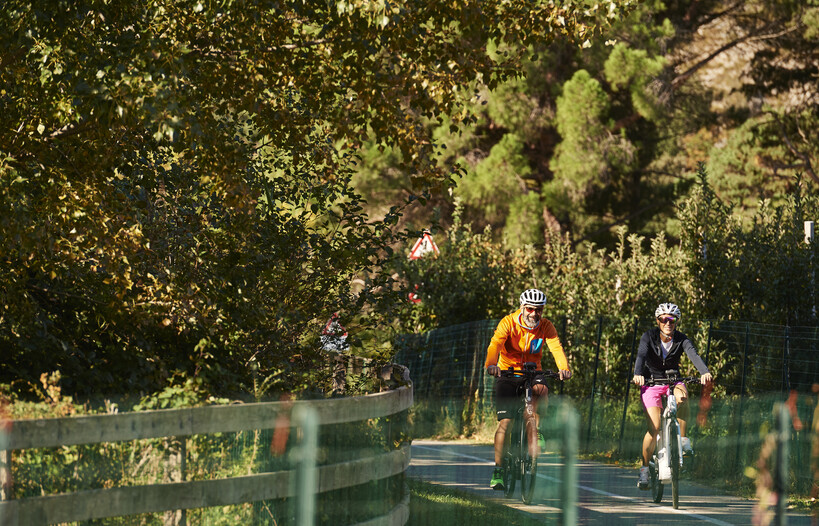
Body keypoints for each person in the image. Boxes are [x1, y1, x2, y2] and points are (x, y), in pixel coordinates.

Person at [484, 288, 572, 490]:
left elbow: (556, 347)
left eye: (539, 310)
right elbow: (496, 343)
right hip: (507, 372)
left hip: (533, 371)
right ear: (522, 307)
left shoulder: (546, 326)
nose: (534, 314)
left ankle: (537, 431)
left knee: (541, 388)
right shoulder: (508, 322)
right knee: (505, 423)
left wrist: (564, 369)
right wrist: (491, 364)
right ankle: (498, 470)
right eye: (530, 309)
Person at [632, 302, 713, 490]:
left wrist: (704, 372)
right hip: (651, 383)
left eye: (672, 320)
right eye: (664, 319)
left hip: (673, 380)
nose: (668, 323)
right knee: (654, 427)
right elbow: (641, 356)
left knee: (683, 397)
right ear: (658, 321)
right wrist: (638, 374)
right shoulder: (648, 337)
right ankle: (644, 469)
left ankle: (683, 440)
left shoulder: (681, 339)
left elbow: (693, 355)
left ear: (676, 322)